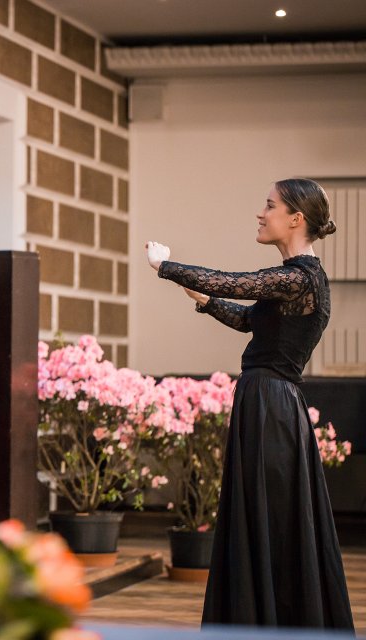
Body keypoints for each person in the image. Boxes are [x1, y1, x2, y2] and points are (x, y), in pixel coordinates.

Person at [146, 178, 353, 630]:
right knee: (265, 515)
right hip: (269, 402)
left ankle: (273, 623)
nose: (261, 214)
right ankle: (263, 621)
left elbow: (237, 283)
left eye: (270, 206)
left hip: (272, 406)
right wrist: (203, 300)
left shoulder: (298, 277)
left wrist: (166, 266)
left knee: (272, 518)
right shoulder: (294, 279)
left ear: (296, 218)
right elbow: (247, 319)